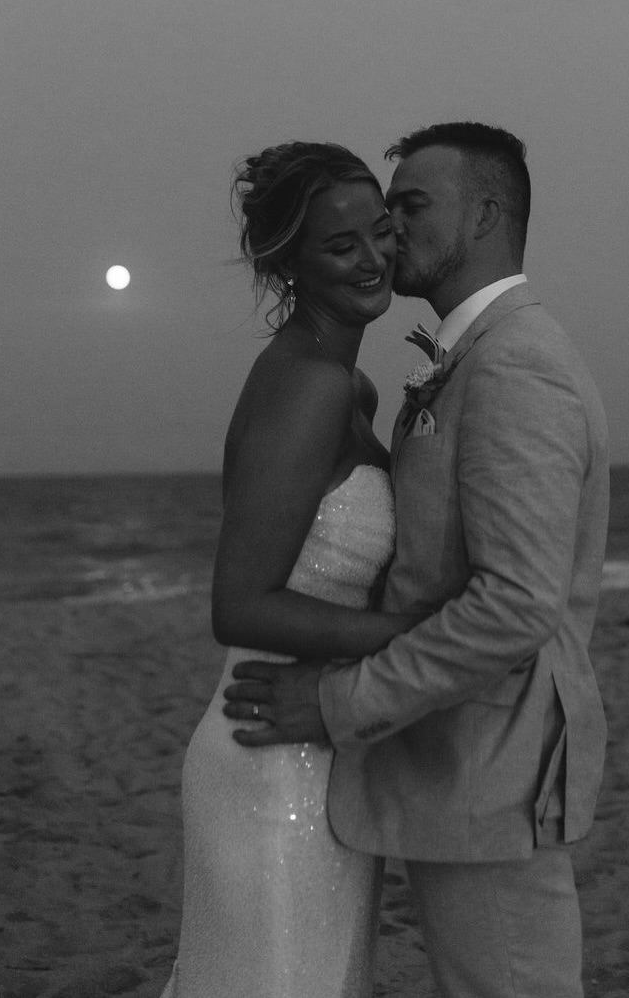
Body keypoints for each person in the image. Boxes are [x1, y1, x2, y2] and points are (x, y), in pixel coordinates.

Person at [225, 122, 610, 998]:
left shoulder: (515, 366)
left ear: (482, 214)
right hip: (451, 768)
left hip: (491, 773)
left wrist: (337, 700)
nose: (391, 230)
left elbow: (515, 606)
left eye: (410, 205)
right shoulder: (473, 357)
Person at [160, 141, 418, 998]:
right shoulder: (306, 384)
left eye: (381, 231)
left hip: (322, 748)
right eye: (341, 247)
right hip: (272, 762)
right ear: (289, 262)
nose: (374, 258)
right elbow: (238, 604)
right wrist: (417, 638)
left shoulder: (348, 386)